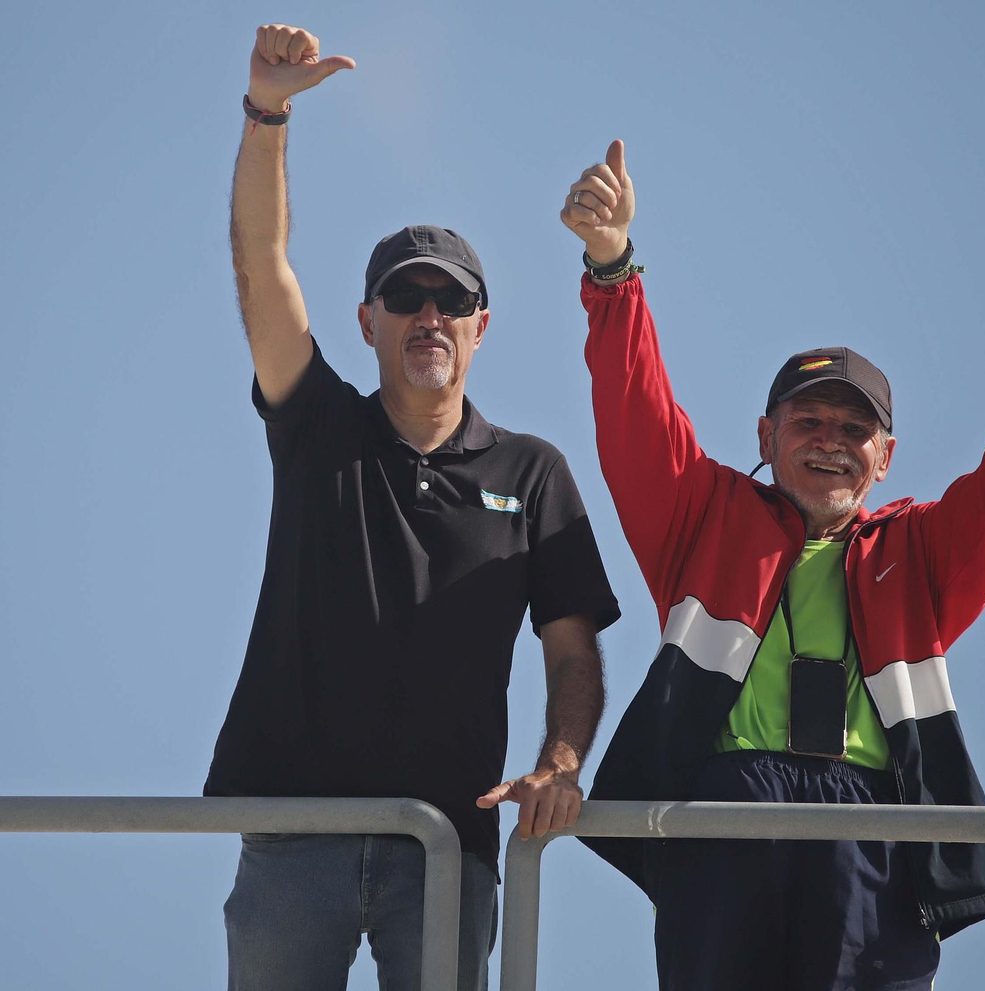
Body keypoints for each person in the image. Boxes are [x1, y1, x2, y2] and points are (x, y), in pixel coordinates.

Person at [560, 140, 985, 990]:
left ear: (885, 457)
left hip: (868, 825)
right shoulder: (705, 517)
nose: (830, 441)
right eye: (808, 422)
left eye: (854, 430)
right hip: (722, 815)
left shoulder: (919, 552)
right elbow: (635, 415)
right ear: (766, 436)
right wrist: (612, 270)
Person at [206, 25, 621, 991]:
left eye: (451, 300)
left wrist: (560, 762)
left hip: (444, 846)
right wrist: (267, 113)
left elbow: (573, 653)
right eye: (406, 297)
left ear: (481, 326)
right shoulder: (319, 427)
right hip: (292, 833)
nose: (429, 314)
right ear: (367, 322)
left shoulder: (534, 471)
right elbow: (262, 262)